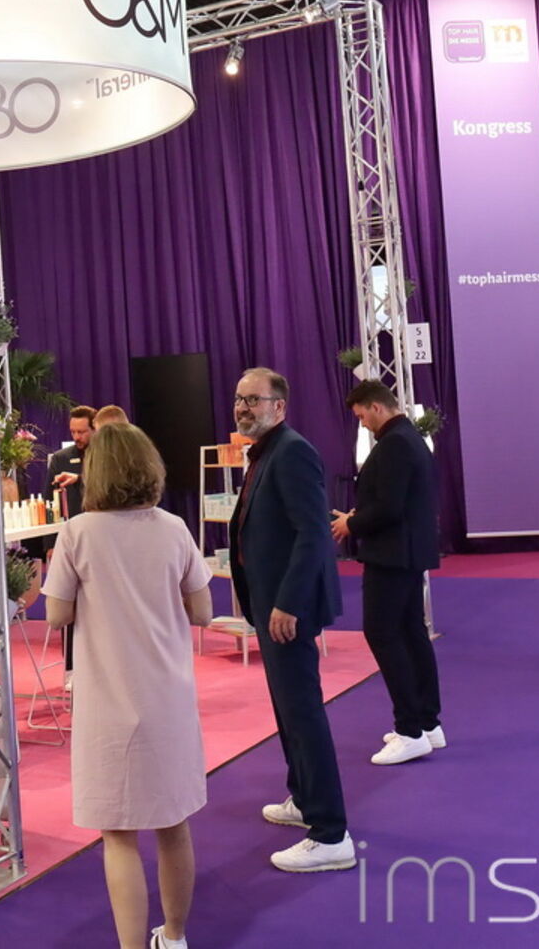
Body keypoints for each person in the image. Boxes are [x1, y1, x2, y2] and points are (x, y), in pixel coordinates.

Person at [42, 422, 213, 949]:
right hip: (168, 698)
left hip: (108, 705)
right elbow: (203, 612)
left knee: (117, 834)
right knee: (173, 824)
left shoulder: (77, 533)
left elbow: (57, 615)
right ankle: (175, 936)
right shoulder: (174, 528)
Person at [228, 366, 352, 873]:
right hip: (271, 604)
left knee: (302, 714)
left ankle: (330, 833)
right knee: (288, 711)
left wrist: (289, 602)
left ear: (279, 407)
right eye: (239, 399)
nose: (243, 408)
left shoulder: (292, 451)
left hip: (287, 610)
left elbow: (312, 533)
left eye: (253, 400)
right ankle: (303, 798)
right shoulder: (267, 452)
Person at [330, 381, 443, 765]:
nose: (362, 423)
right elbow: (397, 501)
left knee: (382, 633)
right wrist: (358, 517)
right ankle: (427, 722)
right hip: (406, 553)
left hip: (392, 555)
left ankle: (410, 729)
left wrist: (352, 523)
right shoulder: (410, 438)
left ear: (376, 407)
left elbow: (390, 507)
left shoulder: (394, 444)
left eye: (362, 416)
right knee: (412, 633)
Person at [45, 405, 96, 527]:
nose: (76, 437)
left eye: (81, 432)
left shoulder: (108, 456)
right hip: (71, 528)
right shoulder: (60, 458)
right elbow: (49, 499)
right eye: (73, 432)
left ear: (95, 429)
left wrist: (78, 479)